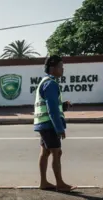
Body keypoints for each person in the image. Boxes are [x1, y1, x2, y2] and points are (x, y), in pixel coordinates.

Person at [34, 55, 73, 191]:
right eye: (60, 67)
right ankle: (60, 184)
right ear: (52, 68)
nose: (62, 70)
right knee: (57, 152)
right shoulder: (51, 84)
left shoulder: (45, 82)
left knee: (45, 153)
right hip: (49, 124)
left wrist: (62, 105)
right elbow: (51, 110)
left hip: (43, 123)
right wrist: (59, 128)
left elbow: (53, 105)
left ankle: (43, 182)